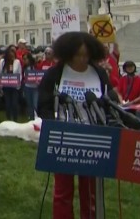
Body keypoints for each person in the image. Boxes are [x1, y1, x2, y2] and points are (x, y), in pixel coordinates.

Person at [37, 31, 112, 219]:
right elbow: (43, 105)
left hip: (93, 140)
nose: (82, 59)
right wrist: (53, 124)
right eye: (78, 54)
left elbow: (109, 101)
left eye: (86, 55)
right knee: (63, 190)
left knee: (90, 191)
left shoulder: (99, 73)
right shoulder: (55, 74)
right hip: (63, 138)